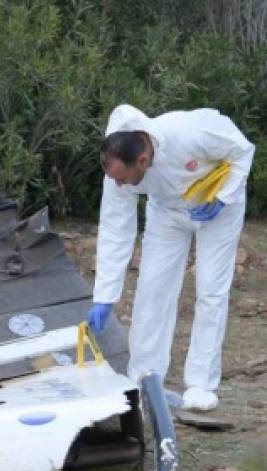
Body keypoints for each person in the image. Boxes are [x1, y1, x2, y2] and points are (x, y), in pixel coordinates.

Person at [88, 104, 255, 411]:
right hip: (167, 212)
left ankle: (201, 385)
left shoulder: (190, 132)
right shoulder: (117, 168)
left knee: (210, 290)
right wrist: (105, 295)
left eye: (124, 178)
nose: (119, 185)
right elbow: (115, 227)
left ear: (142, 159)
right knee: (152, 289)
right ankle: (144, 379)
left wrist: (223, 196)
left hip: (218, 208)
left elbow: (243, 151)